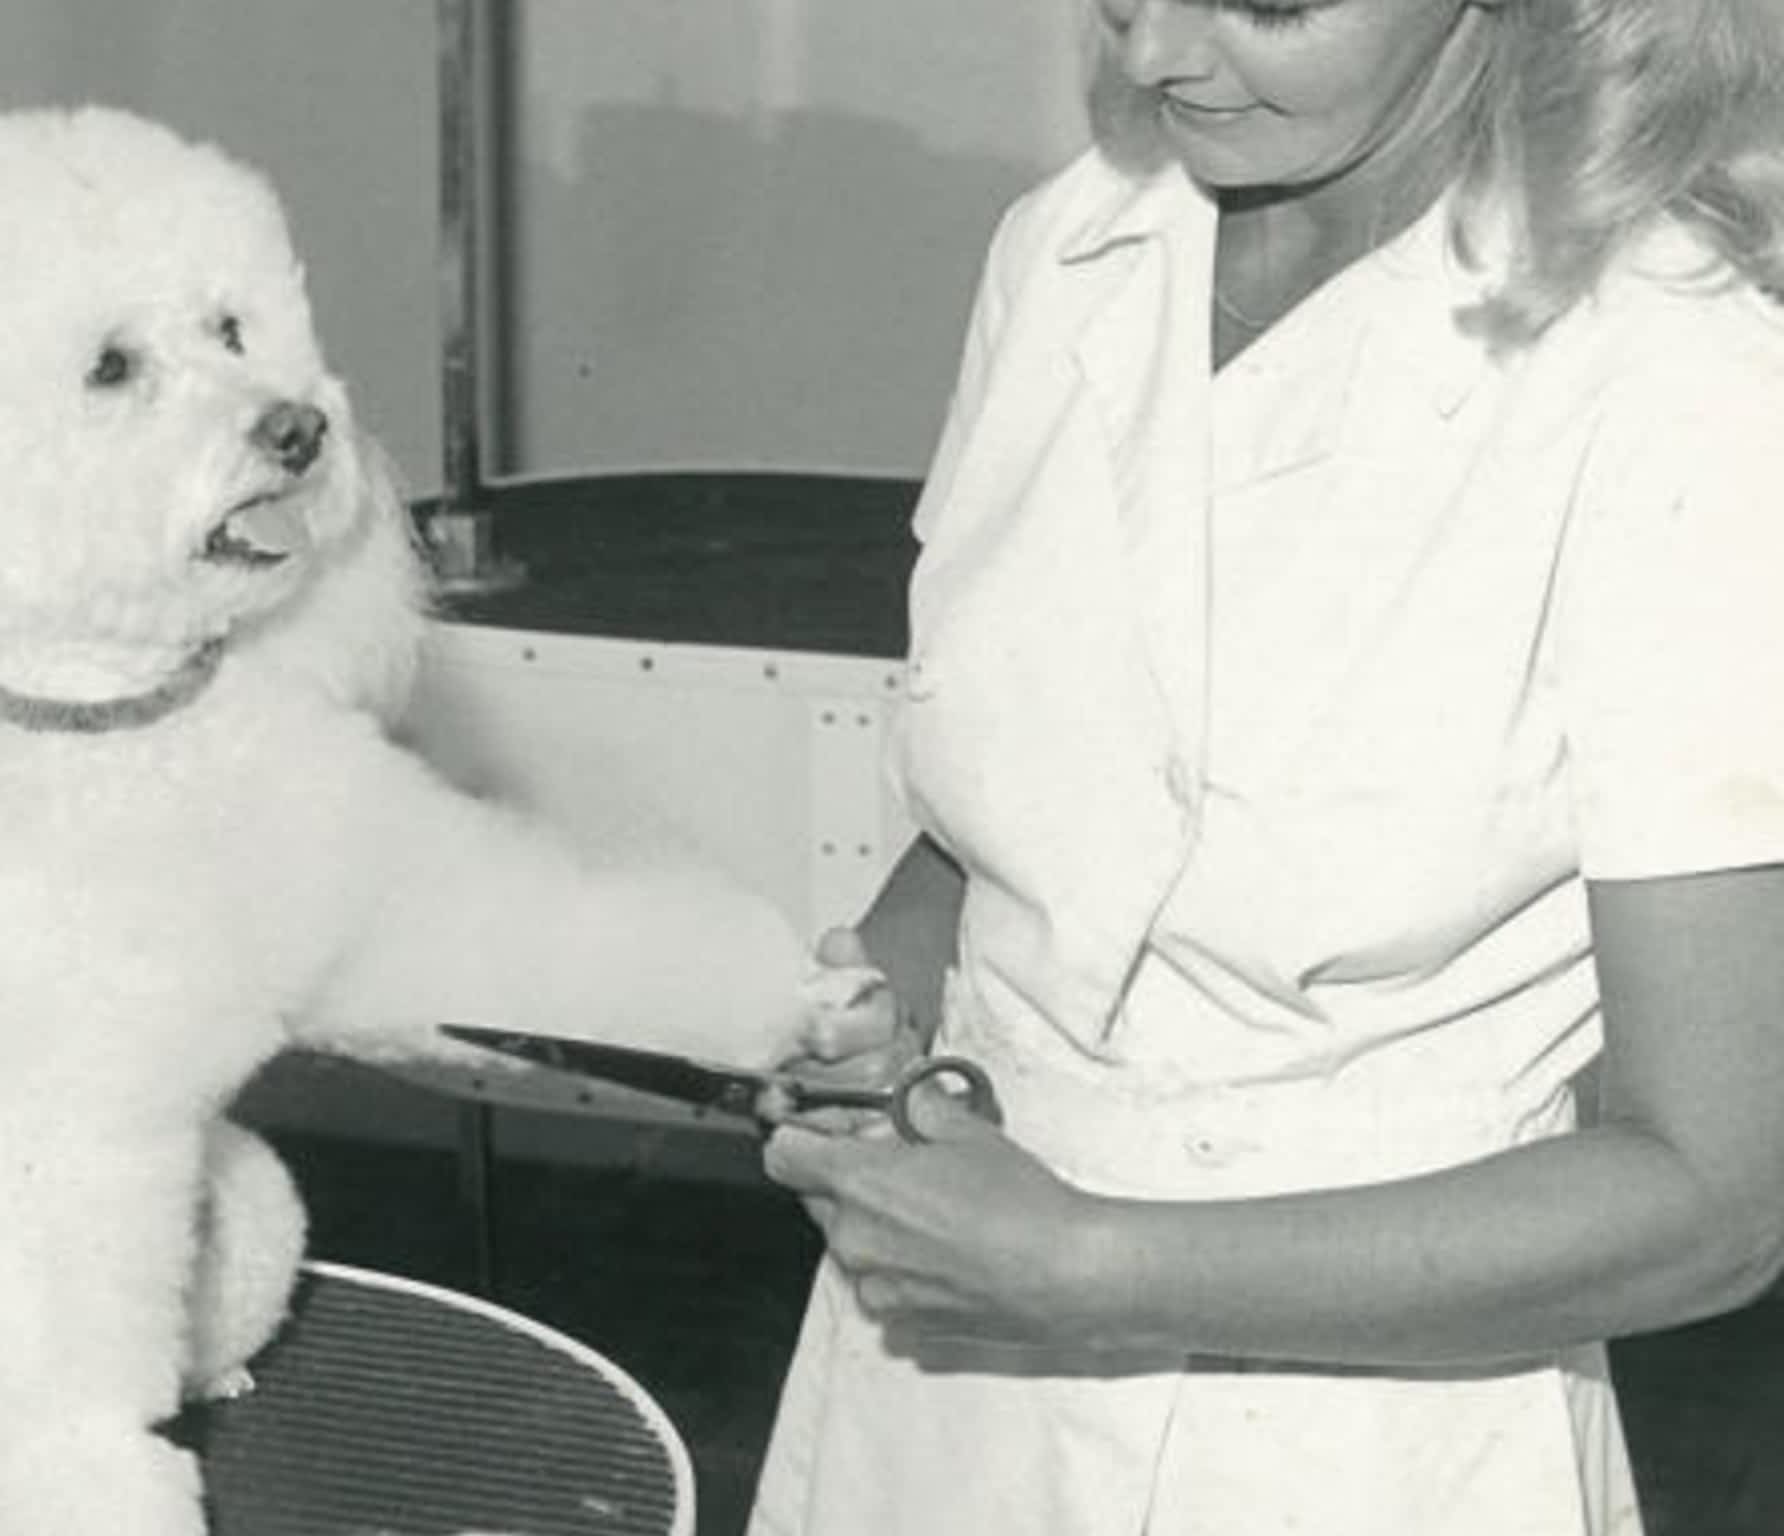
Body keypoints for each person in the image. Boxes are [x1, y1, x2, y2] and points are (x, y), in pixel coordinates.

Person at [747, 1, 1784, 1532]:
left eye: (1271, 3)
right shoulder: (1071, 247)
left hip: (1356, 1420)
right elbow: (1004, 821)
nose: (1155, 53)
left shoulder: (1679, 372)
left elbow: (1717, 1200)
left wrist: (1090, 1266)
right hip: (937, 1362)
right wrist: (875, 1008)